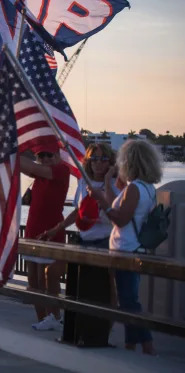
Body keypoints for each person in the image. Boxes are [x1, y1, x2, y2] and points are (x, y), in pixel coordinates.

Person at [89, 139, 162, 355]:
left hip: (126, 250)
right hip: (132, 248)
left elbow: (120, 219)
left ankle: (147, 345)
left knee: (129, 300)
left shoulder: (135, 189)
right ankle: (131, 344)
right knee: (126, 297)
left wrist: (101, 201)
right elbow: (117, 206)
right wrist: (110, 182)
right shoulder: (147, 188)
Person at [20, 144, 70, 330]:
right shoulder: (40, 175)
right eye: (41, 155)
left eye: (50, 154)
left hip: (50, 232)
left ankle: (53, 316)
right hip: (33, 231)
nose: (46, 159)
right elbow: (23, 166)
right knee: (33, 280)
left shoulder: (61, 171)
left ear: (58, 155)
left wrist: (7, 148)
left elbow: (30, 167)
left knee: (45, 279)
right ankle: (42, 318)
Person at [39, 144, 120, 247]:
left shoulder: (116, 184)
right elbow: (78, 210)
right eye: (94, 159)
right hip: (84, 240)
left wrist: (107, 181)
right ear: (89, 161)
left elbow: (116, 211)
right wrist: (56, 229)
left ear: (110, 162)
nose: (98, 163)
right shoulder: (84, 182)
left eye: (103, 159)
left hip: (106, 242)